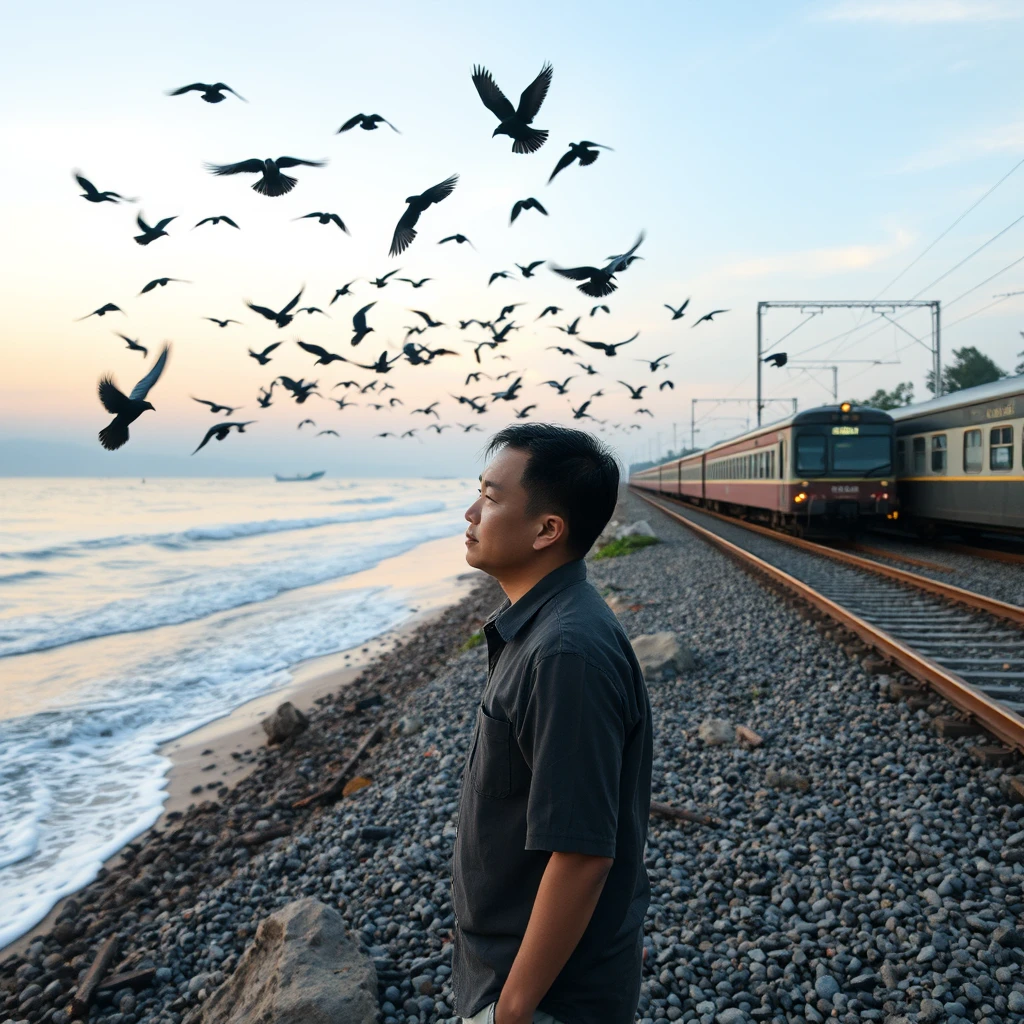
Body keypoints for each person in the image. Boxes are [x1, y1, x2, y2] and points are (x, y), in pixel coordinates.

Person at [451, 423, 654, 1024]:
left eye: (488, 498)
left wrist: (510, 1010)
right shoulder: (541, 627)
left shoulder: (565, 653)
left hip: (543, 997)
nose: (470, 512)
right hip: (513, 974)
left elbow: (582, 854)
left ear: (547, 529)